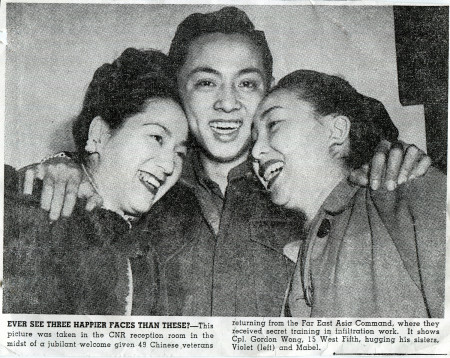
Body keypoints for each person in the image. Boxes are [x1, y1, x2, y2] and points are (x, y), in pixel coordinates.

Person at [20, 7, 431, 316]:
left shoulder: (303, 184)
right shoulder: (145, 186)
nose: (228, 102)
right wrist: (65, 165)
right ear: (178, 93)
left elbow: (362, 127)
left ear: (269, 92)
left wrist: (387, 153)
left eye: (248, 83)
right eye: (206, 81)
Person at [3, 48, 189, 315]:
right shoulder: (29, 210)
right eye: (157, 138)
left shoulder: (150, 246)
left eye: (179, 153)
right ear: (100, 134)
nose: (170, 165)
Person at [252, 70, 445, 318]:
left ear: (337, 130)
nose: (255, 151)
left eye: (274, 124)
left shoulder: (408, 192)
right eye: (254, 138)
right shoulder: (298, 256)